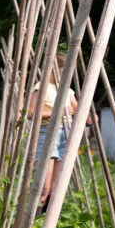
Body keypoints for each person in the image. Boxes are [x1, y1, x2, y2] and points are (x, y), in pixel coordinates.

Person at [29, 55, 79, 213]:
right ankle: (33, 217)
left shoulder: (68, 91)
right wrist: (56, 112)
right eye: (62, 71)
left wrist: (85, 114)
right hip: (48, 131)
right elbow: (30, 113)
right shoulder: (41, 87)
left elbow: (77, 110)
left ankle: (47, 219)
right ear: (53, 70)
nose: (64, 76)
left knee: (56, 186)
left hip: (66, 132)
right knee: (44, 184)